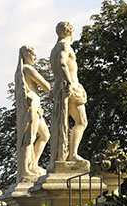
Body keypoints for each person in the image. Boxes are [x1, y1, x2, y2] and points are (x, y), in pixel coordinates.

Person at [50, 21, 88, 165]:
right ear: (71, 32)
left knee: (63, 123)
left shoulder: (55, 48)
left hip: (62, 87)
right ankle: (72, 154)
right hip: (70, 87)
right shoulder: (64, 46)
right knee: (82, 121)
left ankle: (65, 153)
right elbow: (62, 63)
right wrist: (70, 83)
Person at [15, 45, 51, 178]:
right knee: (29, 138)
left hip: (35, 105)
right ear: (26, 55)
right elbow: (46, 86)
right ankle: (25, 170)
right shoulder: (28, 69)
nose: (35, 57)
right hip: (32, 106)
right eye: (33, 55)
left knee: (45, 135)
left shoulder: (20, 71)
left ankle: (33, 165)